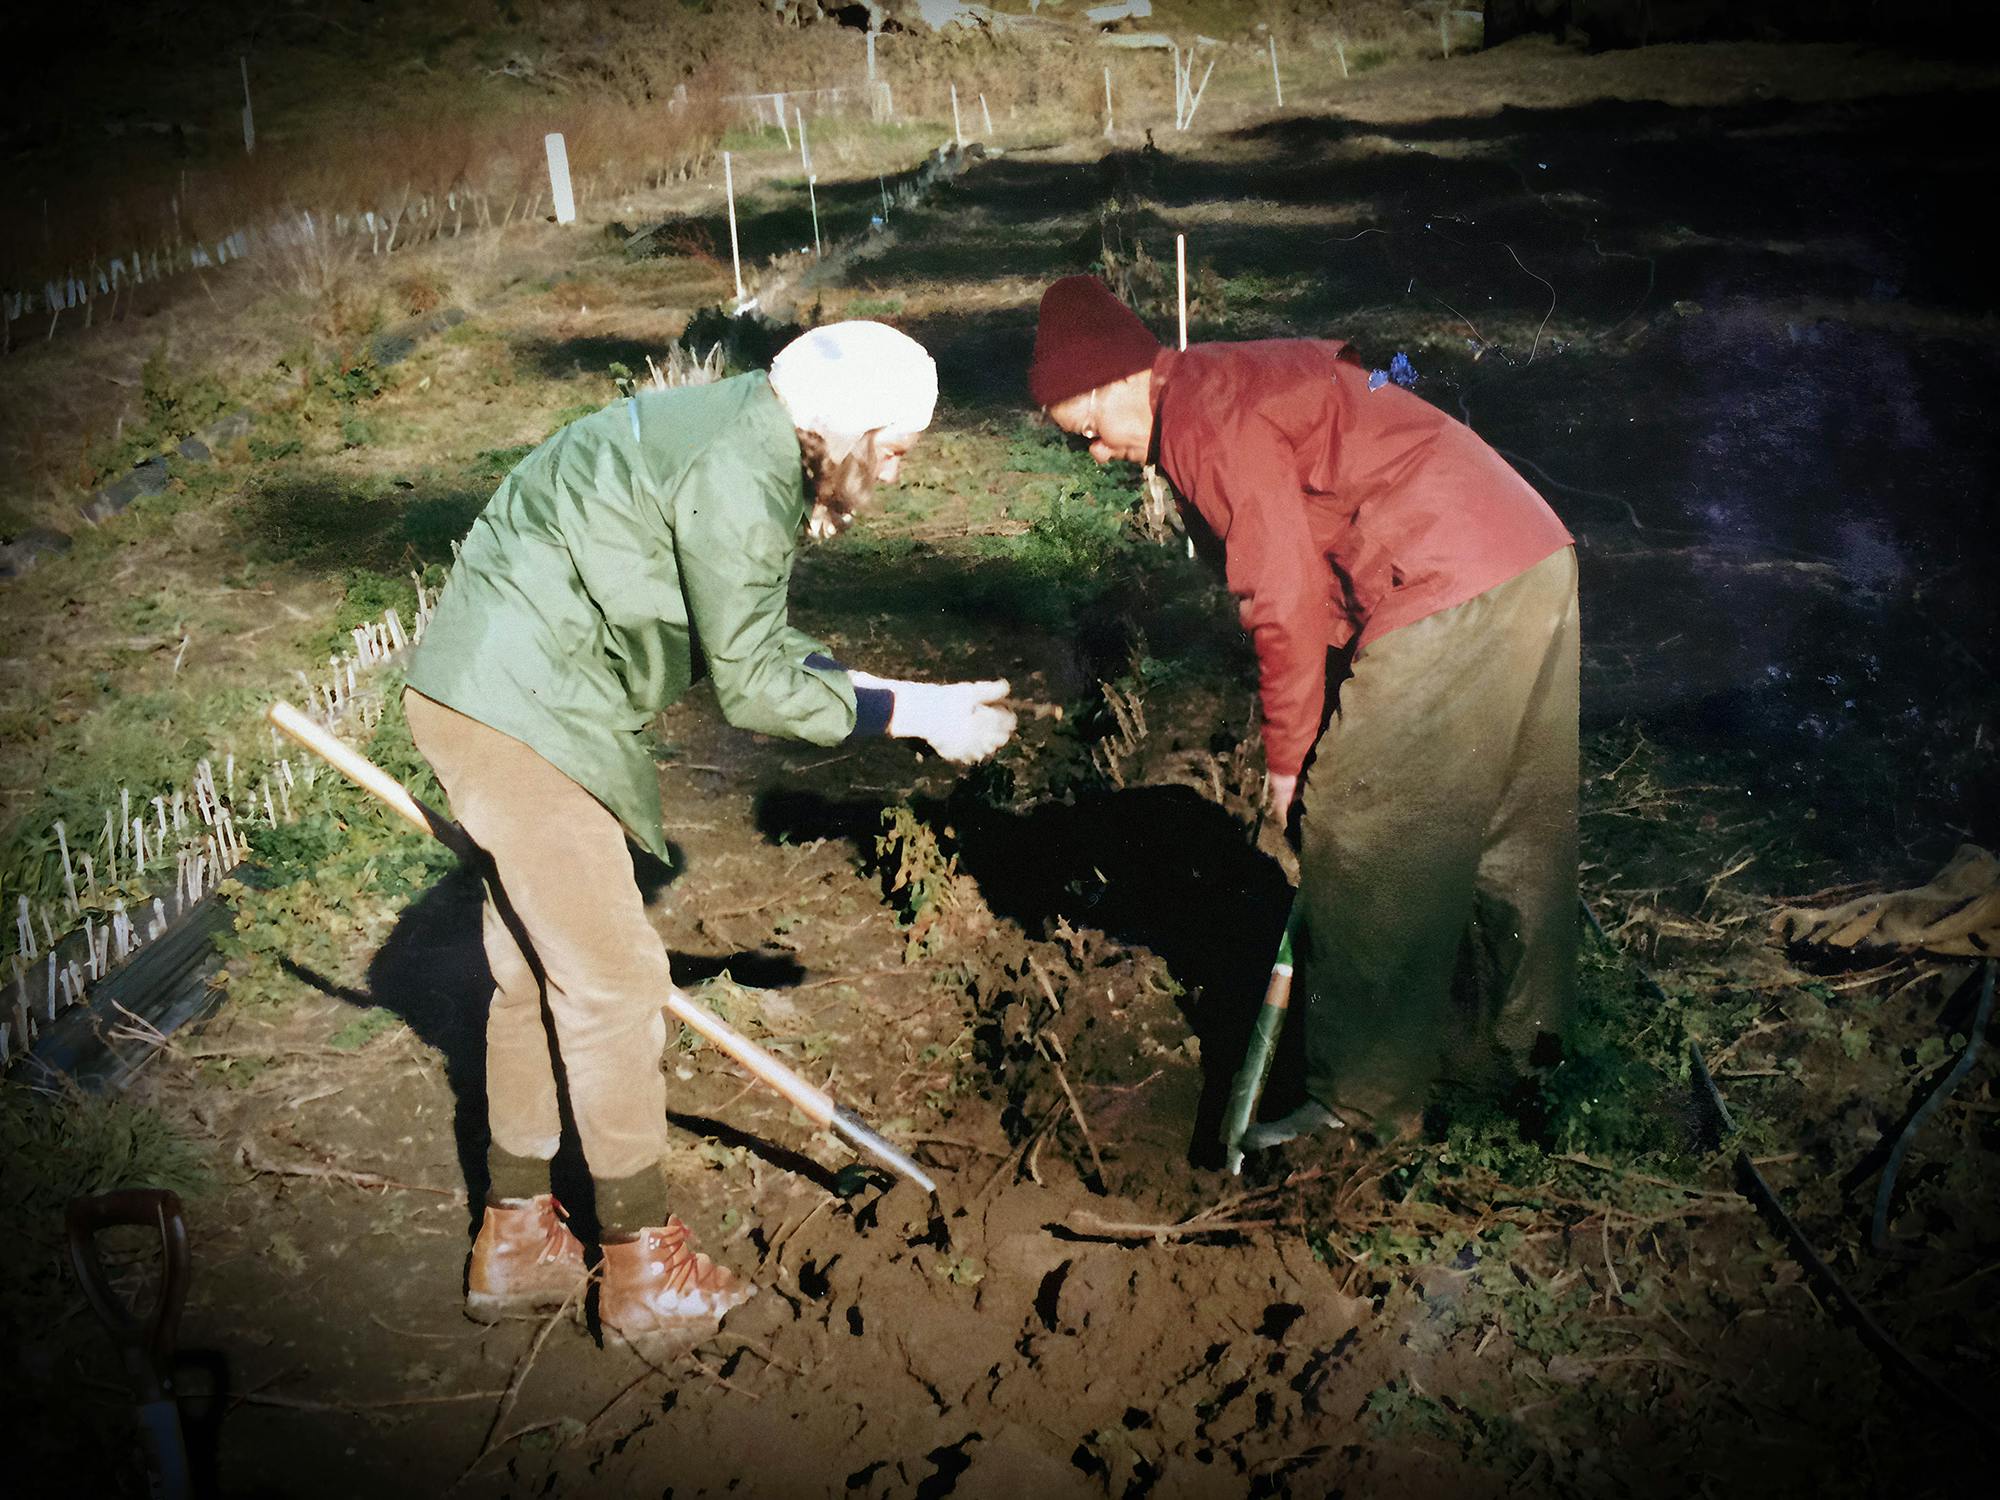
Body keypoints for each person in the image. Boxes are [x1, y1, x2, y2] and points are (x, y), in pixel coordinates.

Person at [402, 321, 1016, 1354]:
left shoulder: (746, 433)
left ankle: (514, 1239)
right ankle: (642, 1268)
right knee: (610, 985)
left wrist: (907, 695)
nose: (900, 472)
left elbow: (757, 639)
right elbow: (755, 689)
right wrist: (909, 719)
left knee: (527, 971)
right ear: (847, 430)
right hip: (521, 709)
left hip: (497, 690)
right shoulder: (742, 470)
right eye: (898, 446)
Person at [1029, 276, 1579, 1149]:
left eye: (1089, 432)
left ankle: (1360, 1108)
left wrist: (1288, 762)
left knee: (1359, 823)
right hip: (1529, 550)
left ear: (1115, 380)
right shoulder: (1229, 378)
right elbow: (1319, 576)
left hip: (1443, 573)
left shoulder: (1202, 420)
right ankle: (1531, 1051)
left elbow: (1280, 596)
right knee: (1516, 820)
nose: (1098, 454)